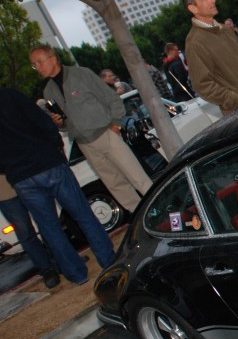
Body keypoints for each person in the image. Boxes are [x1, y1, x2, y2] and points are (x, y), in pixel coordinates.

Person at [0, 86, 115, 285]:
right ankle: (108, 261)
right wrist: (56, 147)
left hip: (21, 177)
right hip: (48, 162)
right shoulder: (11, 95)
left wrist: (9, 168)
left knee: (50, 228)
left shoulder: (10, 95)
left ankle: (76, 274)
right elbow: (42, 121)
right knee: (83, 214)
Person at [29, 45, 152, 214]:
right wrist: (59, 123)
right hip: (84, 144)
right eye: (34, 65)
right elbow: (65, 125)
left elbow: (111, 98)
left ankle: (160, 211)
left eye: (39, 62)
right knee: (115, 185)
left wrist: (116, 124)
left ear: (53, 58)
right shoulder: (48, 91)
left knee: (137, 177)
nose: (37, 67)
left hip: (106, 134)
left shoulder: (81, 74)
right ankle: (140, 215)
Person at [0, 175, 59, 288]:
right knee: (26, 233)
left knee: (47, 223)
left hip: (28, 179)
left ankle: (65, 260)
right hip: (5, 193)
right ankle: (47, 269)